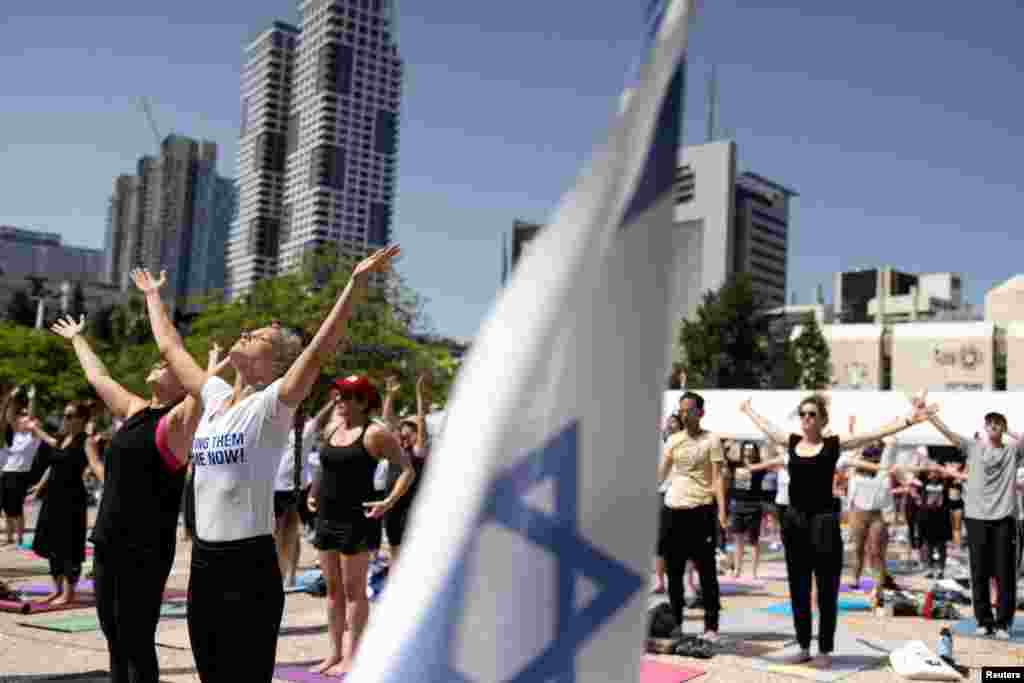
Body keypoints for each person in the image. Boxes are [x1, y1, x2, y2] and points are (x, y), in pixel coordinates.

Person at [131, 244, 404, 682]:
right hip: (204, 561)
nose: (245, 333)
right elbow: (171, 345)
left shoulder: (271, 405)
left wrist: (355, 284)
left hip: (247, 565)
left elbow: (317, 351)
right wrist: (152, 296)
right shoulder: (216, 397)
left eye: (256, 336)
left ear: (275, 362)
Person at [49, 315, 220, 683]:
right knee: (113, 637)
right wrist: (78, 338)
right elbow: (100, 378)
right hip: (109, 540)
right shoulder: (135, 410)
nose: (160, 364)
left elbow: (202, 391)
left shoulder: (176, 423)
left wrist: (208, 367)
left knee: (135, 640)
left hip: (144, 548)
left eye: (169, 365)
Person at [741, 394, 935, 667]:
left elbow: (873, 433)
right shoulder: (793, 443)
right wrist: (749, 410)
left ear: (822, 419)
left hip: (824, 521)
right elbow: (770, 429)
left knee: (826, 587)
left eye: (812, 414)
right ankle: (803, 644)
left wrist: (907, 421)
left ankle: (824, 649)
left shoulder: (834, 444)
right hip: (795, 521)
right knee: (798, 586)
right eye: (803, 414)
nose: (806, 419)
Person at [307, 374, 414, 674]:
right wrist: (313, 493)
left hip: (357, 519)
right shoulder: (332, 427)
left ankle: (353, 655)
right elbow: (322, 467)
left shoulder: (375, 434)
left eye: (348, 396)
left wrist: (388, 501)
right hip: (326, 517)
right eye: (339, 395)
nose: (340, 401)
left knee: (355, 591)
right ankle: (333, 653)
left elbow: (406, 469)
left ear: (364, 402)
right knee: (332, 591)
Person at [922, 399, 1022, 639]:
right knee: (979, 571)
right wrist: (929, 416)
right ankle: (984, 620)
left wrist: (1008, 430)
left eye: (999, 424)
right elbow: (948, 433)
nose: (994, 427)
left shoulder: (1011, 452)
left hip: (1004, 518)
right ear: (985, 427)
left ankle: (1003, 623)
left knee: (1004, 572)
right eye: (991, 424)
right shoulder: (973, 447)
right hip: (976, 517)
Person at [656, 391, 728, 642]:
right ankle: (676, 623)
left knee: (706, 571)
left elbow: (718, 477)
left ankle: (711, 627)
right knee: (673, 573)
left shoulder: (712, 440)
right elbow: (661, 474)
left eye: (689, 410)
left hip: (701, 510)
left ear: (701, 412)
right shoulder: (673, 440)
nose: (684, 414)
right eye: (682, 410)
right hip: (673, 510)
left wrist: (722, 510)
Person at [27, 400, 100, 605]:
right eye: (64, 416)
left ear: (81, 419)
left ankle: (68, 593)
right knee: (52, 543)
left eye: (69, 416)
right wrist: (39, 488)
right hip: (53, 498)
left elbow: (95, 465)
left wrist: (110, 485)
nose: (65, 420)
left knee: (69, 546)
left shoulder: (86, 441)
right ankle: (56, 589)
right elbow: (53, 466)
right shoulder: (62, 439)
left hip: (72, 500)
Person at [274, 395, 337, 587]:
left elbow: (319, 418)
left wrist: (332, 402)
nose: (298, 416)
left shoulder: (306, 431)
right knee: (276, 532)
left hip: (296, 489)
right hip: (276, 488)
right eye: (295, 413)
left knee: (293, 532)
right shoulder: (278, 431)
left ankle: (291, 574)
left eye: (301, 413)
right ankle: (278, 571)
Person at [379, 372, 429, 567]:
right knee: (394, 549)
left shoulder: (419, 450)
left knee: (409, 550)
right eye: (404, 426)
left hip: (411, 506)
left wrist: (419, 395)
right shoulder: (396, 449)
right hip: (392, 504)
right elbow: (387, 420)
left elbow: (422, 422)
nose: (404, 429)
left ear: (416, 433)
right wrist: (390, 395)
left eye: (409, 427)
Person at [0, 386, 42, 547]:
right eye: (20, 416)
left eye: (24, 417)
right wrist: (10, 398)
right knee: (6, 507)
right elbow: (7, 416)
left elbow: (30, 418)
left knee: (16, 508)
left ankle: (19, 538)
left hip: (20, 474)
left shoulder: (32, 436)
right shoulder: (15, 434)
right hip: (6, 473)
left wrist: (32, 399)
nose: (21, 419)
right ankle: (9, 537)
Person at [728, 441, 765, 579]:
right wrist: (731, 443)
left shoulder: (760, 466)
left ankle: (754, 572)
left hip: (754, 506)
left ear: (756, 451)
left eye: (751, 449)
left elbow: (770, 458)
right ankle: (737, 569)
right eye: (746, 449)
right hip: (737, 505)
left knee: (754, 540)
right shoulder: (735, 465)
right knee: (737, 539)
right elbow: (725, 455)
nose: (748, 451)